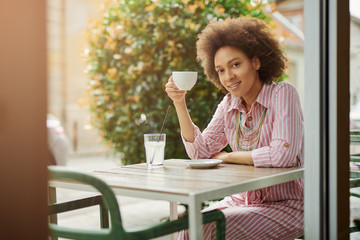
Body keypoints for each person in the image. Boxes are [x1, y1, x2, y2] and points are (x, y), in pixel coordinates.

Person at [165, 16, 304, 240]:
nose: (228, 77)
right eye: (220, 70)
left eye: (235, 64)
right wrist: (179, 102)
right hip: (243, 201)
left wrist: (227, 157)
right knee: (188, 228)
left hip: (288, 205)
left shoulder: (283, 94)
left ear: (256, 62)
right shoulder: (229, 103)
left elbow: (282, 155)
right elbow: (200, 152)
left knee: (209, 229)